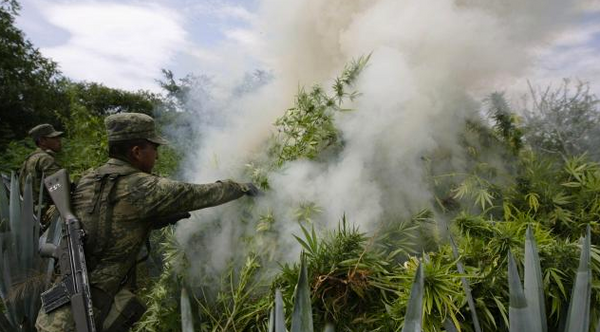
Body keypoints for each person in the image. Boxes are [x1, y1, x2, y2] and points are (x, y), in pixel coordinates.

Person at [35, 112, 259, 332]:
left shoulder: (88, 179)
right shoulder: (144, 186)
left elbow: (107, 222)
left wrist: (156, 219)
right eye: (155, 149)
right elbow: (201, 194)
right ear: (136, 151)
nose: (157, 156)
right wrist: (241, 187)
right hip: (92, 313)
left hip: (53, 314)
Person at [19, 124, 63, 206]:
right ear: (42, 141)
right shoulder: (45, 159)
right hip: (45, 211)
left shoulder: (30, 158)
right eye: (54, 138)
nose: (59, 140)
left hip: (31, 212)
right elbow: (60, 189)